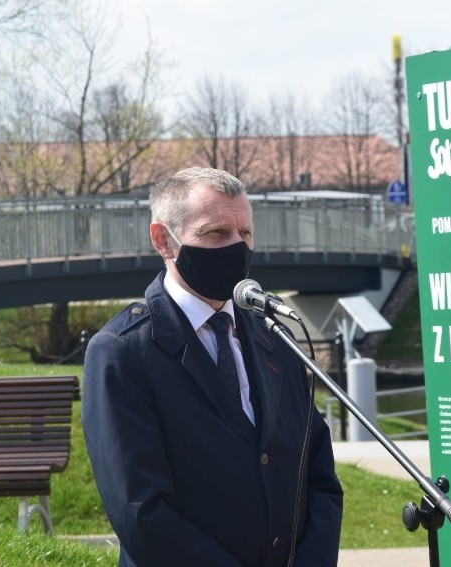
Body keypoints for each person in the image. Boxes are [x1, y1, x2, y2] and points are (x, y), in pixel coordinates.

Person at [82, 167, 343, 567]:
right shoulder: (122, 353)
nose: (237, 247)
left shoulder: (275, 338)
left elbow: (320, 479)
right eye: (216, 233)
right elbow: (141, 510)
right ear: (163, 240)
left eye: (246, 234)